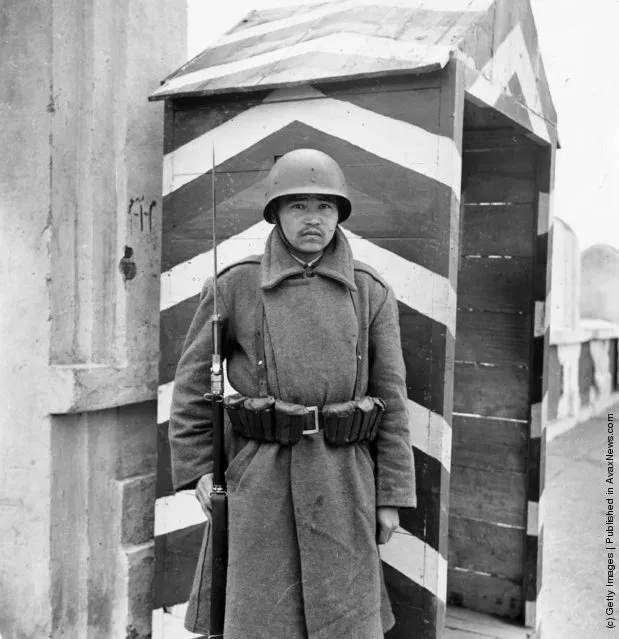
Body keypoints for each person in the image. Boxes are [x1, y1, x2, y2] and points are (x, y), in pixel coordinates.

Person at [169, 148, 416, 639]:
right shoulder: (235, 284)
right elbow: (193, 385)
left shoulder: (370, 291)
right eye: (297, 206)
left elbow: (393, 400)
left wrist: (390, 496)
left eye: (325, 207)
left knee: (342, 617)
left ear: (339, 215)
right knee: (261, 618)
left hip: (344, 479)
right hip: (258, 477)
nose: (312, 219)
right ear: (276, 214)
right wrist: (199, 468)